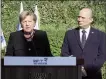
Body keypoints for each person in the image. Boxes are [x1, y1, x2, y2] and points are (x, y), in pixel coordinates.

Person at [61, 8, 106, 79]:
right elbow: (64, 53)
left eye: (83, 18)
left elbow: (102, 56)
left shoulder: (100, 35)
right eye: (78, 17)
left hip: (93, 75)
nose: (79, 19)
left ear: (91, 20)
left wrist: (88, 70)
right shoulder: (69, 34)